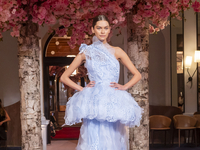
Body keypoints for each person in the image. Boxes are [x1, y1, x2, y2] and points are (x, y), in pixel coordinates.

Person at [60, 15, 143, 150]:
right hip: (94, 100)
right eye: (99, 28)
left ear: (110, 30)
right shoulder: (86, 52)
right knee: (92, 136)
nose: (102, 31)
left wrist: (124, 86)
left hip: (113, 99)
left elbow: (137, 74)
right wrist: (82, 89)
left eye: (105, 28)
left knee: (114, 137)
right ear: (93, 29)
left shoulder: (118, 51)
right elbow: (64, 77)